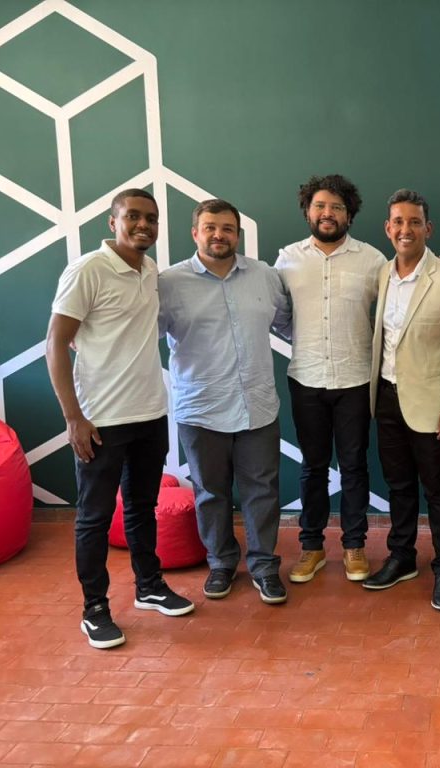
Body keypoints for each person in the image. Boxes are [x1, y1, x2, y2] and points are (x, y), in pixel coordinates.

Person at [46, 188, 193, 650]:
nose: (143, 225)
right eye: (133, 216)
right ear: (113, 222)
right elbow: (55, 343)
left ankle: (149, 587)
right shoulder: (88, 269)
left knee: (141, 507)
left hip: (150, 412)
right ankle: (94, 609)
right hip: (100, 420)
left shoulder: (150, 272)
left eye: (151, 218)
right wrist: (74, 418)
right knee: (93, 517)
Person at [159, 199, 292, 605]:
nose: (219, 235)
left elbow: (288, 323)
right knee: (210, 492)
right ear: (195, 233)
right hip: (200, 407)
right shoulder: (169, 282)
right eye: (210, 227)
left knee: (262, 491)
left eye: (228, 228)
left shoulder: (264, 276)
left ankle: (264, 567)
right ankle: (220, 563)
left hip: (257, 405)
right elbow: (140, 330)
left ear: (238, 234)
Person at [274, 175, 387, 584]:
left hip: (355, 379)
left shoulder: (373, 260)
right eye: (320, 206)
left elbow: (393, 310)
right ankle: (312, 548)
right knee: (313, 468)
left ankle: (355, 546)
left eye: (337, 207)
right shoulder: (287, 260)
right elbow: (279, 316)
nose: (327, 213)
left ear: (349, 215)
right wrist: (306, 340)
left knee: (354, 466)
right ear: (308, 211)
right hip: (306, 378)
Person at [362, 189, 440, 610]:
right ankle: (402, 556)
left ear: (428, 228)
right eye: (399, 222)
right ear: (388, 229)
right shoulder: (382, 274)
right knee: (399, 486)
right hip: (386, 396)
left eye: (415, 222)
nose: (406, 229)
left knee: (438, 490)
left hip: (431, 404)